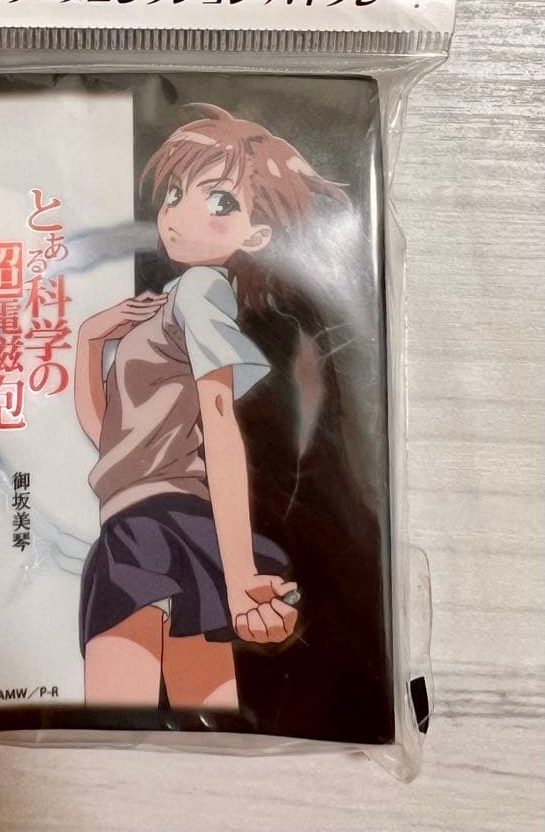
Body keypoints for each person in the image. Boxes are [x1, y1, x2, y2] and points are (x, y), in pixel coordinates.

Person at [73, 103, 346, 711]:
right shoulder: (173, 302)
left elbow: (221, 425)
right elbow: (111, 438)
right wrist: (90, 341)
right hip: (156, 520)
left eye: (220, 201)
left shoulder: (199, 290)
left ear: (256, 237)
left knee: (117, 718)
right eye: (174, 193)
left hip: (150, 526)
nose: (179, 214)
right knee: (209, 721)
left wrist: (241, 574)